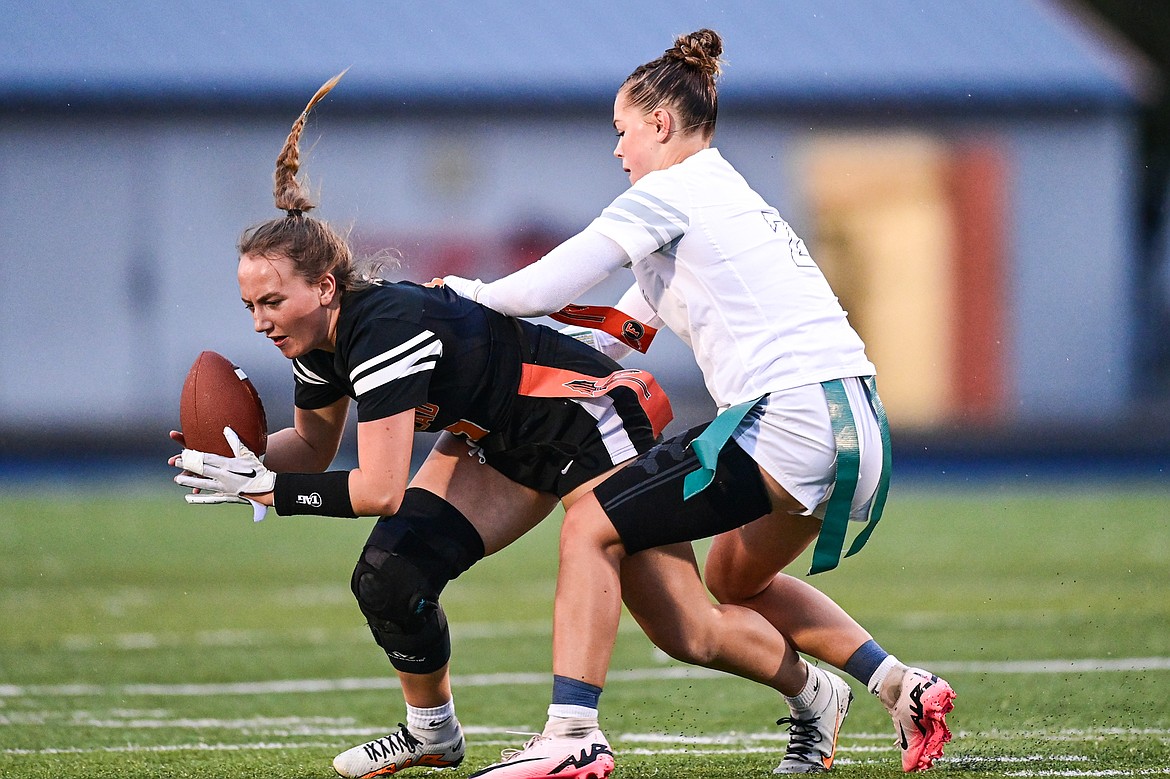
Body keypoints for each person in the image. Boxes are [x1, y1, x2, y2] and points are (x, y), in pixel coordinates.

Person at [169, 72, 892, 779]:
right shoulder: (314, 343)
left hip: (583, 420)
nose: (261, 321)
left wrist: (277, 489)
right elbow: (313, 446)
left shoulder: (381, 327)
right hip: (501, 440)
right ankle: (433, 732)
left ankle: (804, 692)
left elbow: (381, 485)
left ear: (324, 286)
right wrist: (236, 460)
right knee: (389, 576)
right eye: (250, 307)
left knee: (687, 628)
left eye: (272, 301)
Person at [441, 29, 956, 778]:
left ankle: (571, 730)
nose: (617, 152)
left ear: (660, 123)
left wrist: (466, 298)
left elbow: (542, 288)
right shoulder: (723, 193)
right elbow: (617, 336)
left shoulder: (670, 192)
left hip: (791, 418)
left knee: (589, 522)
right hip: (859, 422)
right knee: (734, 581)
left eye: (622, 132)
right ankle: (899, 684)